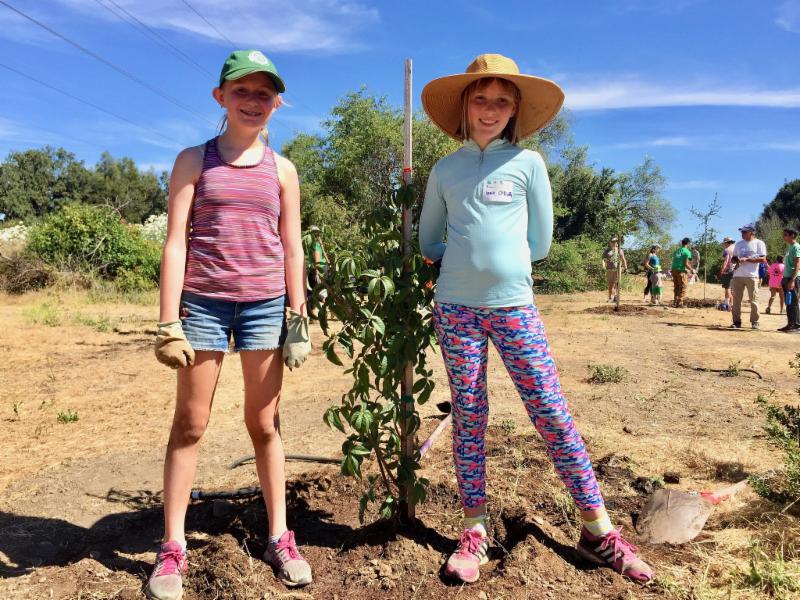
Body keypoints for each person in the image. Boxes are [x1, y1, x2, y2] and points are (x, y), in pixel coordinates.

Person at [418, 54, 652, 585]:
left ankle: (597, 529)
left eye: (502, 101)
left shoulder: (528, 164)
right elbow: (428, 240)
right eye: (481, 98)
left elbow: (540, 244)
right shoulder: (445, 169)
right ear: (464, 105)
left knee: (550, 410)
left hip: (514, 306)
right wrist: (463, 256)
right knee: (470, 417)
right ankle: (474, 529)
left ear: (515, 110)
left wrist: (496, 262)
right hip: (455, 308)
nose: (490, 109)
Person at [146, 50, 313, 600]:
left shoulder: (283, 169)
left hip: (266, 307)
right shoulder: (194, 160)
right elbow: (176, 243)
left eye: (264, 93)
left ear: (277, 103)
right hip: (205, 306)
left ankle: (279, 536)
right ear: (221, 97)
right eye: (242, 91)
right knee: (190, 424)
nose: (253, 101)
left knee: (264, 425)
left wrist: (298, 315)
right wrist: (169, 321)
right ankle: (172, 547)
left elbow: (292, 246)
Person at [730, 223, 767, 329]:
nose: (742, 233)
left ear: (752, 232)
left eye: (744, 231)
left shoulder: (759, 243)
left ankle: (755, 321)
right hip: (738, 275)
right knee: (736, 299)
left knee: (754, 299)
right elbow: (734, 257)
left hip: (752, 275)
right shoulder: (738, 244)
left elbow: (763, 259)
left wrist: (747, 259)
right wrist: (735, 259)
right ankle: (736, 322)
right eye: (741, 231)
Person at [305, 225, 329, 318]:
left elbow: (317, 258)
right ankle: (315, 312)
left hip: (317, 269)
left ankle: (318, 311)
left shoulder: (314, 243)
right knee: (314, 292)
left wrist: (317, 272)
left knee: (313, 292)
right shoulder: (319, 242)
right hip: (322, 268)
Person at [779, 228, 800, 332]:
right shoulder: (789, 247)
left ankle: (797, 325)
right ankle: (790, 324)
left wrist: (793, 280)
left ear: (792, 236)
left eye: (786, 234)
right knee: (788, 302)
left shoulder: (796, 247)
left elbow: (797, 264)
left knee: (794, 302)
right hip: (786, 278)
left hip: (792, 279)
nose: (784, 236)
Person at [671, 238, 695, 308]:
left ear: (682, 243)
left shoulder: (676, 251)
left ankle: (675, 301)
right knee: (683, 287)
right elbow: (687, 264)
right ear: (688, 243)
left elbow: (676, 260)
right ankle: (680, 303)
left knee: (676, 286)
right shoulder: (687, 252)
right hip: (681, 271)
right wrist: (692, 269)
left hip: (674, 270)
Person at [602, 237, 627, 303]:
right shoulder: (606, 251)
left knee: (617, 283)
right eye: (613, 242)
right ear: (610, 243)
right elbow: (603, 260)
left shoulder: (620, 250)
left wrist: (625, 268)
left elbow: (623, 259)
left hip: (618, 269)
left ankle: (616, 297)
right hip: (610, 269)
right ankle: (610, 297)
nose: (615, 243)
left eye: (616, 241)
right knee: (611, 284)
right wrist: (603, 266)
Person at [718, 237, 736, 310]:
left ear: (727, 243)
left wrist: (722, 270)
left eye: (724, 243)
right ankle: (731, 305)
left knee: (727, 288)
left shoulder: (727, 250)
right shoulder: (735, 249)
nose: (724, 245)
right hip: (735, 271)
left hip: (728, 271)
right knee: (732, 288)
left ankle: (726, 304)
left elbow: (726, 261)